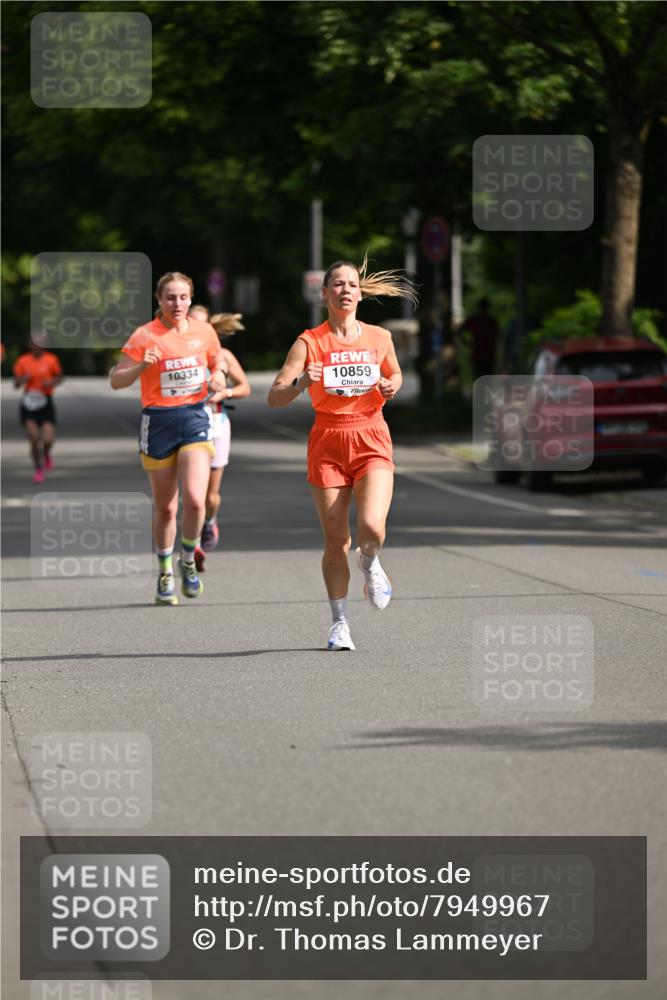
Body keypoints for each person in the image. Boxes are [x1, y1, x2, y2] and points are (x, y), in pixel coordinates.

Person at [267, 257, 417, 651]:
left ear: (360, 293)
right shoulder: (309, 342)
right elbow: (274, 396)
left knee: (373, 528)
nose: (346, 290)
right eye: (338, 284)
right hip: (328, 440)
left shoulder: (379, 337)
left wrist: (391, 386)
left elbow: (396, 373)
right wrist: (301, 381)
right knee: (336, 541)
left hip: (370, 435)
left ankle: (371, 563)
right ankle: (340, 624)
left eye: (352, 284)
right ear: (325, 293)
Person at [110, 272, 228, 605]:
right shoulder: (145, 335)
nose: (177, 304)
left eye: (182, 297)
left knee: (194, 499)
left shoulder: (204, 331)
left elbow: (216, 360)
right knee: (165, 508)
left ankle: (187, 560)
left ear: (191, 299)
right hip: (158, 422)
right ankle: (164, 571)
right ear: (159, 300)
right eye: (170, 298)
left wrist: (218, 375)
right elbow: (116, 381)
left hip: (193, 418)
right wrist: (139, 367)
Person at [190, 311, 251, 571]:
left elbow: (244, 387)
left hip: (216, 426)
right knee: (192, 494)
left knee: (210, 496)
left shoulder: (222, 356)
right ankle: (192, 546)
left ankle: (209, 521)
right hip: (187, 427)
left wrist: (224, 392)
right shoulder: (178, 355)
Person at [13, 334, 64, 484]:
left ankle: (46, 453)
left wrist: (52, 382)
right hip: (28, 403)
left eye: (40, 343)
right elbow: (16, 383)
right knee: (34, 437)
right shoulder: (23, 361)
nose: (37, 346)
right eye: (34, 343)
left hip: (45, 402)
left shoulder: (51, 359)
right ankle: (38, 469)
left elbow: (60, 377)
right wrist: (23, 380)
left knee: (48, 439)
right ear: (29, 345)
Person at [462, 297, 500, 381]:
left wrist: (466, 342)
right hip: (485, 354)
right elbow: (498, 337)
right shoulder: (491, 321)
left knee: (479, 378)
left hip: (481, 354)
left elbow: (460, 330)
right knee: (486, 380)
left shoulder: (476, 319)